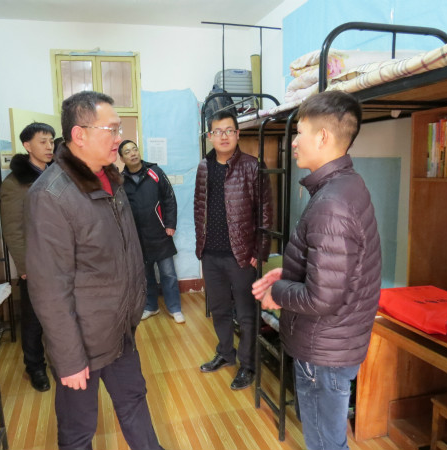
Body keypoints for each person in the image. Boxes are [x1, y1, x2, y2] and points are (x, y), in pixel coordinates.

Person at [25, 91, 162, 450]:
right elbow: (49, 289)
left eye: (119, 129)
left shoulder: (110, 179)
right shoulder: (51, 195)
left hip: (119, 330)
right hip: (81, 342)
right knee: (78, 429)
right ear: (79, 134)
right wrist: (70, 359)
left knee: (134, 401)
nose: (119, 138)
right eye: (111, 129)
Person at [252, 91, 382, 450]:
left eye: (299, 132)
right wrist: (286, 275)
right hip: (334, 342)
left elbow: (323, 297)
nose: (293, 142)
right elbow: (335, 270)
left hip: (324, 350)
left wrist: (277, 293)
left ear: (323, 137)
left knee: (325, 443)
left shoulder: (332, 203)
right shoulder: (347, 185)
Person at [194, 110, 273, 390]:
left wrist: (259, 252)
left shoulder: (253, 166)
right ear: (210, 136)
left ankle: (248, 365)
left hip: (241, 255)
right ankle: (226, 354)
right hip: (211, 254)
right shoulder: (204, 167)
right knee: (219, 308)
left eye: (229, 130)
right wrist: (200, 247)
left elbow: (265, 213)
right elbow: (199, 208)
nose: (224, 136)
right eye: (218, 131)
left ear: (238, 134)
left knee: (246, 313)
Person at [0, 121, 55, 392]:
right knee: (33, 320)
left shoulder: (58, 175)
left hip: (61, 258)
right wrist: (24, 266)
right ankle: (35, 367)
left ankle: (62, 360)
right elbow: (13, 229)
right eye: (43, 141)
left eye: (51, 141)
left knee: (61, 315)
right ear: (27, 145)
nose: (49, 146)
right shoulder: (15, 183)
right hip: (35, 262)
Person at [119, 140, 185, 324]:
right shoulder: (121, 180)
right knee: (146, 276)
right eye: (127, 152)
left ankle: (175, 308)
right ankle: (151, 306)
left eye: (134, 149)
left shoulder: (155, 172)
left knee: (168, 274)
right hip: (137, 237)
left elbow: (169, 198)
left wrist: (170, 224)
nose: (133, 153)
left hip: (160, 232)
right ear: (122, 158)